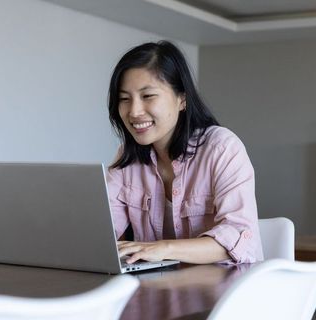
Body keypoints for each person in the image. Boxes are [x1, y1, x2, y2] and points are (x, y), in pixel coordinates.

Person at [106, 40, 263, 264]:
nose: (134, 111)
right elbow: (102, 230)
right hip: (159, 289)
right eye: (124, 99)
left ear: (182, 99)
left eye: (148, 96)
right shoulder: (126, 159)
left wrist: (164, 249)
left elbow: (238, 236)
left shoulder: (222, 148)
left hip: (227, 289)